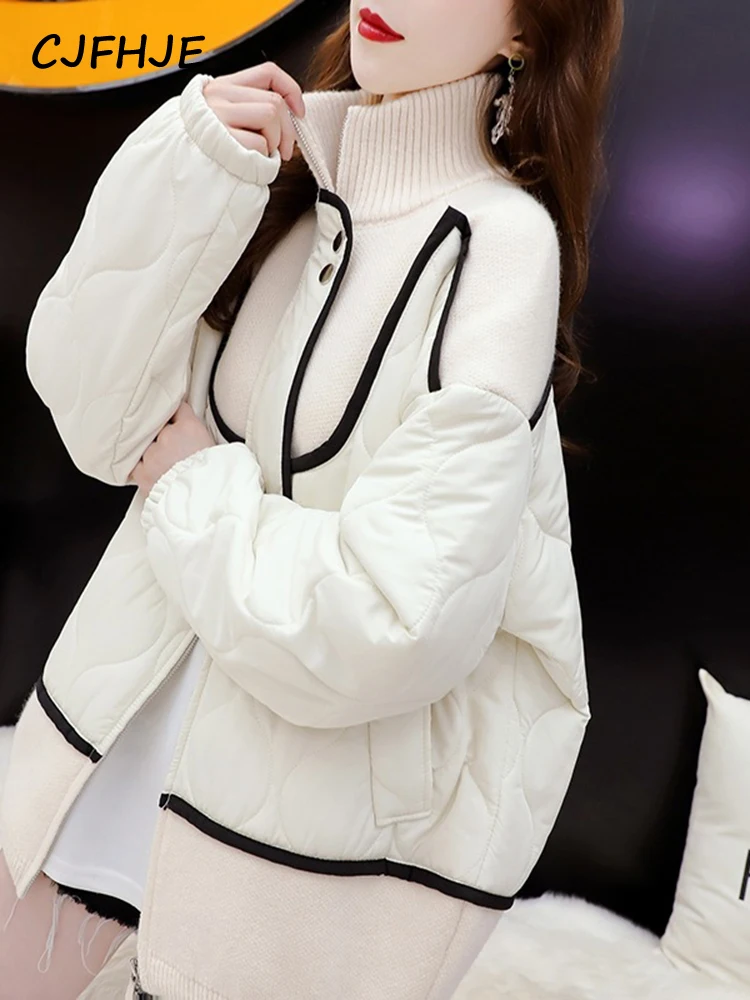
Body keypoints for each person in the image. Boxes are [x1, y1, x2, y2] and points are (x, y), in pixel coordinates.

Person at [0, 0, 624, 996]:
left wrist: (196, 483)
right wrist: (187, 168)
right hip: (107, 739)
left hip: (285, 839)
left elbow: (397, 618)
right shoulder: (292, 174)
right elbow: (99, 420)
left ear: (526, 32)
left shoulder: (501, 248)